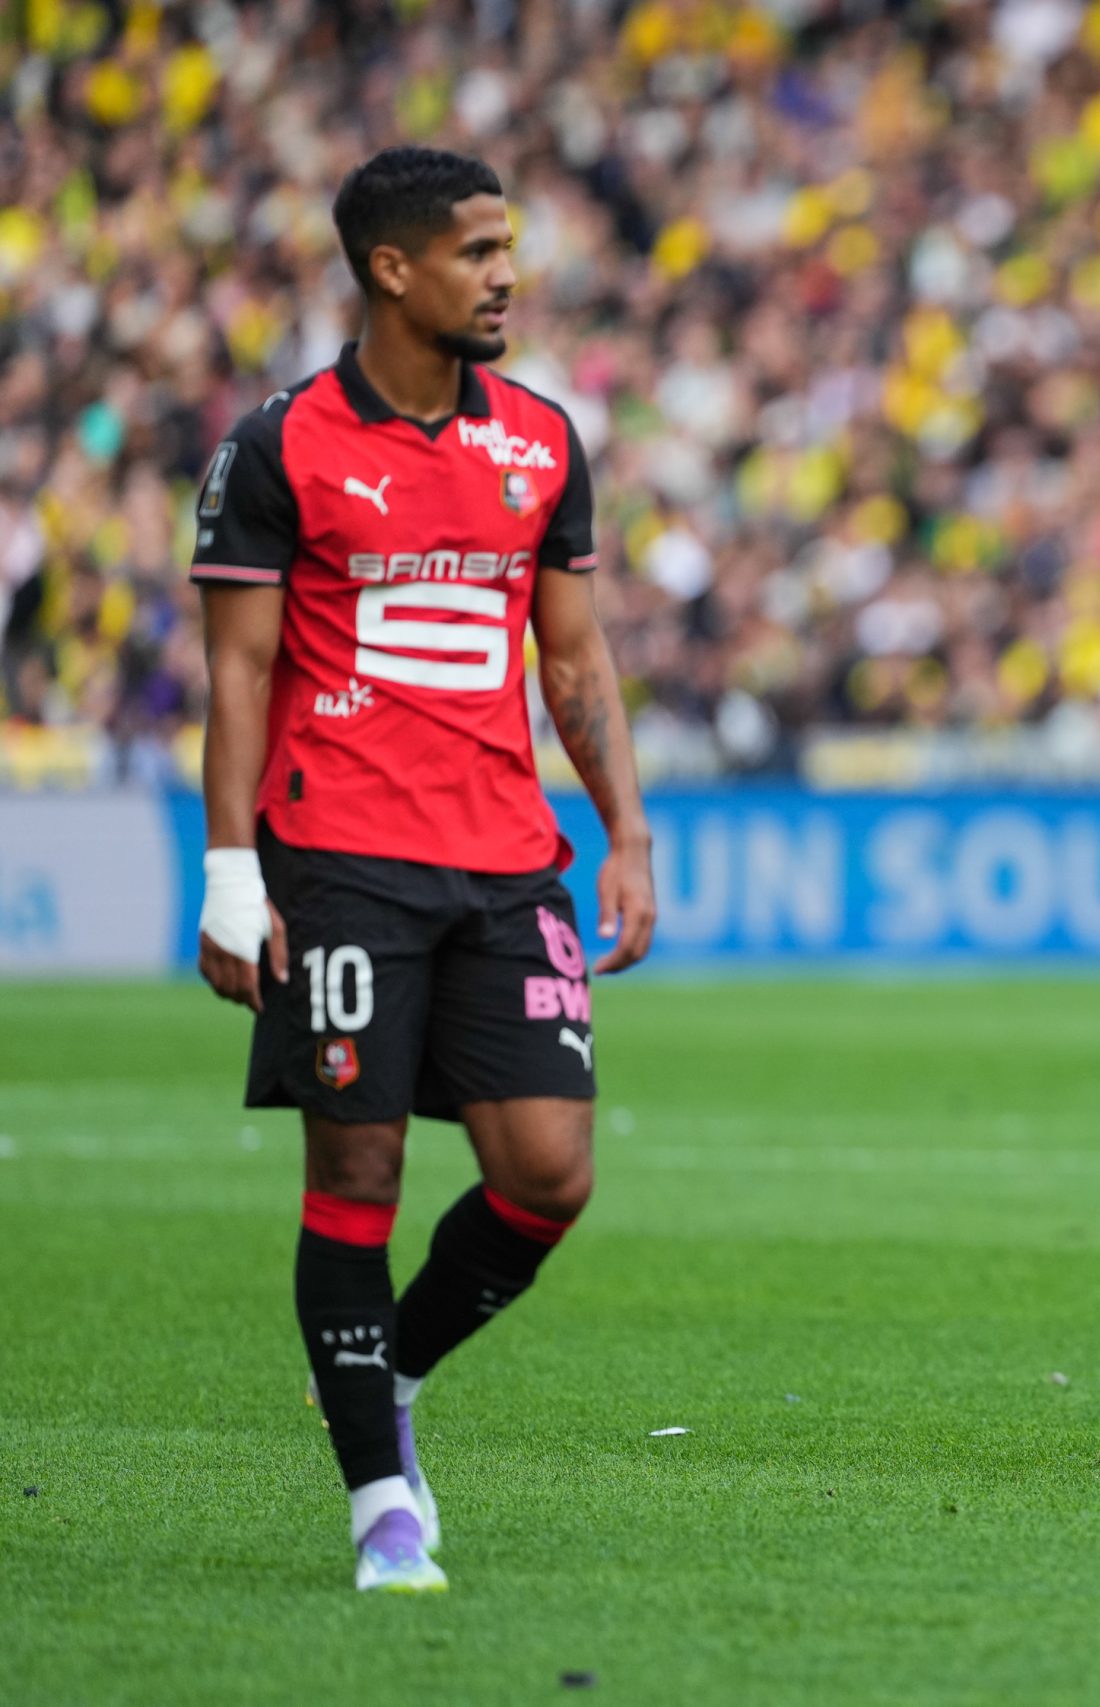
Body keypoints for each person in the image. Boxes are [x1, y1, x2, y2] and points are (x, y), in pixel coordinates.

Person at [190, 147, 657, 1591]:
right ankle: (381, 1499)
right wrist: (226, 870)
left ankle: (382, 1371)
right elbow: (240, 672)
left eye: (506, 247)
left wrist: (626, 830)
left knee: (550, 1169)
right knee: (362, 1165)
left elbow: (573, 657)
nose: (503, 274)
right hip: (339, 860)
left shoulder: (540, 441)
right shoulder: (279, 446)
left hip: (510, 861)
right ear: (392, 269)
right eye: (474, 251)